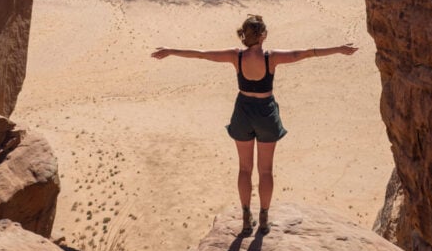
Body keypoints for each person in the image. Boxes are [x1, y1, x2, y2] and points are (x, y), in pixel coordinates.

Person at [151, 13, 358, 236]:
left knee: (244, 169)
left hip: (243, 112)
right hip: (265, 113)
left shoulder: (236, 56)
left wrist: (170, 50)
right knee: (266, 170)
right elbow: (306, 53)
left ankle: (245, 217)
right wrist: (338, 49)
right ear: (263, 35)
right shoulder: (271, 58)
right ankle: (264, 218)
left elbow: (202, 54)